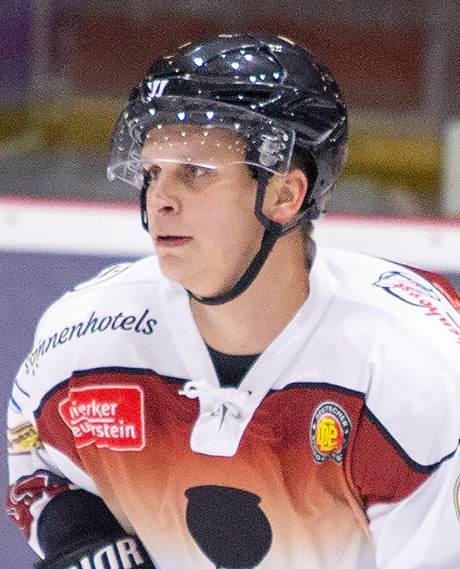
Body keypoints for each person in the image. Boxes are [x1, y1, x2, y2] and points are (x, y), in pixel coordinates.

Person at [6, 33, 460, 569]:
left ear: (285, 195)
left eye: (195, 172)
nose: (159, 199)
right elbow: (33, 455)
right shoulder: (81, 340)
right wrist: (81, 537)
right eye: (152, 172)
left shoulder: (413, 371)